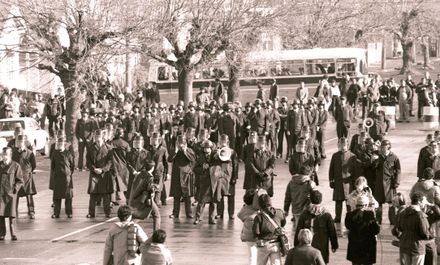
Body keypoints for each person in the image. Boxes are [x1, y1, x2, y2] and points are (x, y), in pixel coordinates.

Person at [294, 190, 338, 265]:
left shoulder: (305, 214)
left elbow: (299, 230)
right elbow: (332, 231)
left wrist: (296, 244)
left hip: (307, 249)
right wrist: (334, 245)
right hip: (322, 248)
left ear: (310, 199)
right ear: (321, 200)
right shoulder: (326, 214)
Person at [395, 192, 431, 265]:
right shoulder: (420, 215)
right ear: (419, 202)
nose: (425, 204)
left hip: (404, 245)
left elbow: (399, 228)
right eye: (423, 202)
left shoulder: (403, 212)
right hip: (417, 246)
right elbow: (425, 233)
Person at [345, 196, 380, 265]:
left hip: (354, 246)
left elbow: (348, 226)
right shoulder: (370, 215)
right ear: (366, 205)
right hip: (367, 248)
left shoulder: (349, 215)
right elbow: (376, 230)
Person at [372, 139, 401, 224]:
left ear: (388, 147)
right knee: (378, 203)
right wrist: (375, 160)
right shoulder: (377, 155)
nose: (381, 148)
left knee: (391, 203)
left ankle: (392, 221)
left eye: (383, 146)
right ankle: (378, 221)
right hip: (379, 183)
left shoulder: (394, 157)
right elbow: (373, 167)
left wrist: (397, 182)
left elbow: (398, 170)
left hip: (390, 183)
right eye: (381, 146)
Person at [86, 129, 113, 218]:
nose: (98, 138)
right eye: (96, 136)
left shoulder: (109, 148)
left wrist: (103, 169)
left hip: (104, 174)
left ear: (103, 137)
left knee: (105, 195)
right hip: (94, 173)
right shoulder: (90, 147)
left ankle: (107, 212)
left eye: (99, 137)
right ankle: (91, 213)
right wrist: (94, 169)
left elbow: (110, 162)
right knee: (93, 194)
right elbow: (88, 161)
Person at [253, 194, 286, 265]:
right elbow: (283, 224)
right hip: (276, 245)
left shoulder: (259, 217)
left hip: (264, 245)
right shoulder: (279, 212)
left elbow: (256, 232)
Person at [168, 135, 196, 219]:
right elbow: (169, 159)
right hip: (176, 175)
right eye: (179, 143)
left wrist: (185, 151)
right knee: (176, 196)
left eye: (182, 143)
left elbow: (193, 159)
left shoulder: (189, 150)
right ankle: (175, 213)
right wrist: (175, 151)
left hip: (186, 174)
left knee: (187, 196)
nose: (181, 145)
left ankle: (189, 213)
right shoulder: (174, 151)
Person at [329, 137, 356, 223]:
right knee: (338, 201)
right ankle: (337, 217)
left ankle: (349, 218)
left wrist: (354, 182)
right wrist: (331, 180)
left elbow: (355, 171)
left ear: (347, 145)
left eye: (344, 144)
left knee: (349, 202)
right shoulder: (335, 155)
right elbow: (331, 169)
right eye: (340, 144)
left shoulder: (352, 156)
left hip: (348, 183)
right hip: (338, 182)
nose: (342, 146)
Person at [128, 160, 161, 231]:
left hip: (138, 197)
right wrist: (155, 187)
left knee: (138, 215)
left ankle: (128, 227)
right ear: (152, 168)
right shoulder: (149, 177)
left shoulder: (139, 174)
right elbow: (149, 188)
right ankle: (156, 233)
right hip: (147, 199)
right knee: (156, 215)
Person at [0, 147, 23, 241]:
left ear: (9, 155)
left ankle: (13, 234)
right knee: (0, 215)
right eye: (3, 154)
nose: (4, 156)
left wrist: (15, 190)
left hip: (11, 194)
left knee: (11, 215)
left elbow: (20, 180)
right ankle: (2, 234)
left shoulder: (15, 165)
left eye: (5, 155)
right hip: (1, 194)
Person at [284, 165, 315, 231]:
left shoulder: (291, 182)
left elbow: (287, 197)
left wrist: (286, 210)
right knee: (307, 230)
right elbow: (314, 197)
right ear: (308, 173)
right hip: (307, 209)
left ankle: (298, 240)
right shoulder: (310, 183)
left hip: (296, 209)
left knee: (298, 229)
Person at [50, 137, 75, 219]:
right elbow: (52, 166)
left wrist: (68, 173)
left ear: (64, 144)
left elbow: (72, 166)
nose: (59, 145)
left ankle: (69, 213)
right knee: (57, 197)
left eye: (61, 144)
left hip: (67, 178)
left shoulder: (68, 153)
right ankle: (56, 213)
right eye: (58, 144)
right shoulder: (55, 153)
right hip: (57, 178)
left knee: (68, 197)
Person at [12, 134, 36, 219]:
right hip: (17, 177)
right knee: (16, 194)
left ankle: (31, 211)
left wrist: (28, 172)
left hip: (27, 177)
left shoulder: (29, 153)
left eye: (21, 142)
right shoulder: (14, 152)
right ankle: (13, 212)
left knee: (29, 195)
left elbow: (34, 165)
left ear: (24, 142)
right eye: (18, 141)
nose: (19, 143)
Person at [238, 189, 258, 265]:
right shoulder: (257, 210)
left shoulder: (244, 209)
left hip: (248, 235)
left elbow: (240, 215)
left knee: (252, 255)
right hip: (258, 235)